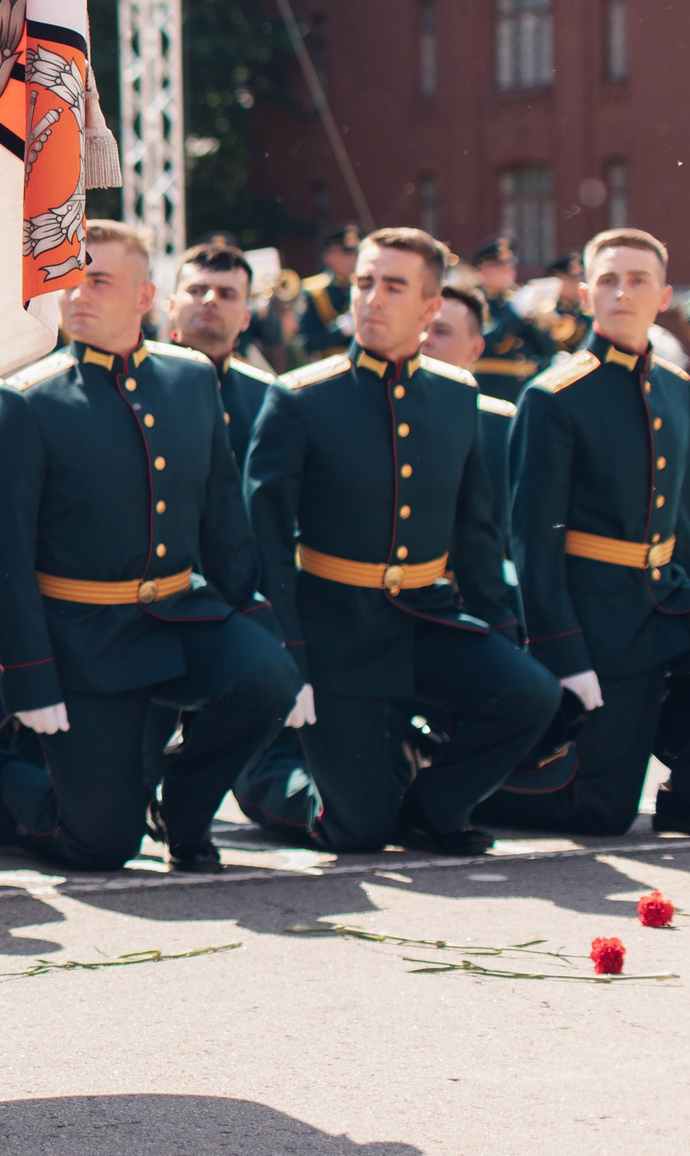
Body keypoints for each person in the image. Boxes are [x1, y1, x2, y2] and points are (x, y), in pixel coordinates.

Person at [0, 220, 299, 873]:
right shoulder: (27, 399)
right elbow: (4, 555)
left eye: (97, 279)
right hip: (84, 636)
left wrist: (263, 630)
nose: (76, 293)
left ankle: (184, 809)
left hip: (177, 616)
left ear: (145, 296)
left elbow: (223, 523)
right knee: (100, 844)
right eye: (67, 279)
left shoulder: (191, 378)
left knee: (268, 679)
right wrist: (29, 681)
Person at [233, 229, 560, 854]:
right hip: (337, 632)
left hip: (423, 619)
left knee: (530, 692)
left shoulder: (456, 394)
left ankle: (430, 808)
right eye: (364, 283)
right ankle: (263, 777)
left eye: (393, 286)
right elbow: (266, 537)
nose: (371, 299)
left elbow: (475, 531)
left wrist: (499, 630)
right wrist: (288, 648)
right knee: (357, 831)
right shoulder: (301, 396)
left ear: (431, 307)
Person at [478, 230, 690, 836]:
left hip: (664, 600)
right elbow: (532, 542)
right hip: (600, 621)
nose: (622, 292)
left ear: (663, 297)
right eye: (608, 279)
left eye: (638, 280)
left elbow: (682, 522)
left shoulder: (678, 391)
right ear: (585, 293)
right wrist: (564, 655)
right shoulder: (554, 397)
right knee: (600, 811)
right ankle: (455, 785)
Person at [166, 240, 278, 466]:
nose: (210, 300)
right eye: (196, 291)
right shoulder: (136, 379)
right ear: (171, 306)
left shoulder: (266, 394)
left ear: (247, 318)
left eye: (226, 294)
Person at [423, 281, 518, 488]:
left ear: (476, 349)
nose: (425, 339)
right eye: (421, 328)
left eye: (441, 331)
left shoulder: (500, 425)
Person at [470, 236, 551, 403]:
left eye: (510, 265)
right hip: (490, 386)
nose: (507, 271)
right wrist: (516, 314)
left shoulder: (514, 300)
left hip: (524, 387)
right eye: (499, 266)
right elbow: (487, 342)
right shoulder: (474, 302)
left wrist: (539, 320)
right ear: (482, 269)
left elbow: (543, 349)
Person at [295, 224, 362, 356]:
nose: (354, 259)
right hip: (329, 367)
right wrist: (342, 328)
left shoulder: (366, 287)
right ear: (328, 257)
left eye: (356, 253)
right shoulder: (315, 291)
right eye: (346, 254)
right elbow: (307, 342)